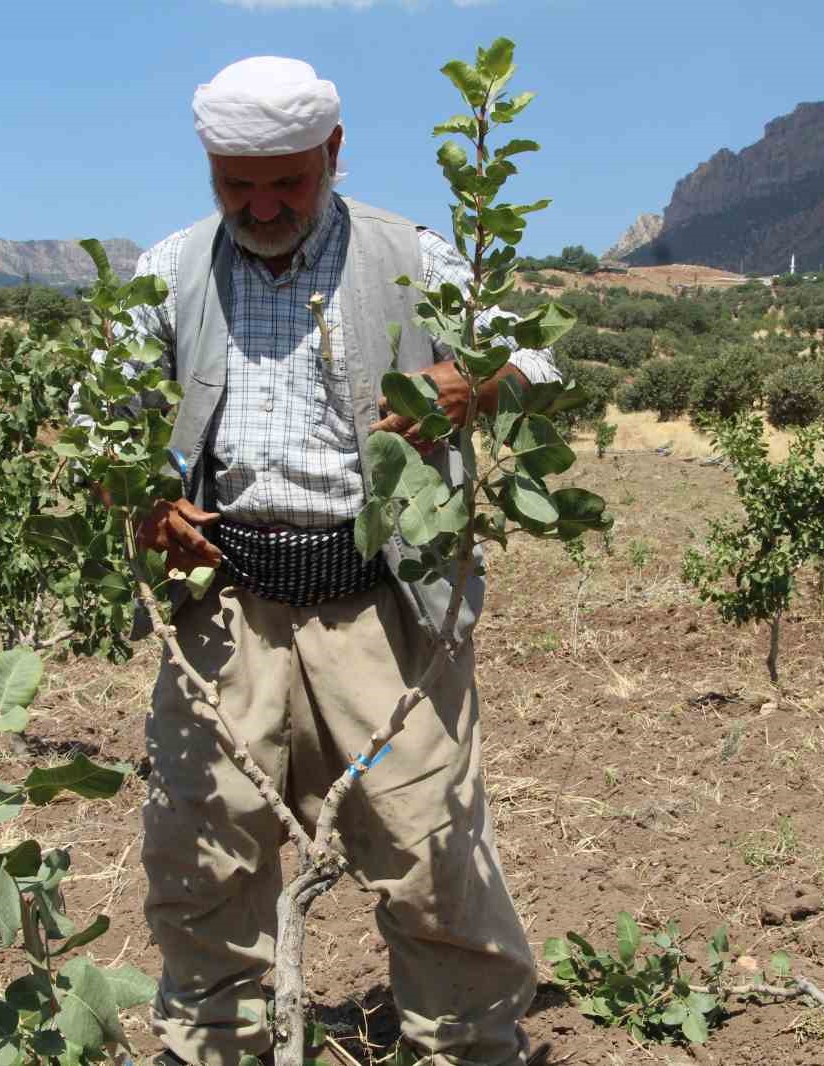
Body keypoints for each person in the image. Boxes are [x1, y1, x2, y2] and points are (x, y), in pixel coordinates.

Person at [129, 55, 558, 1066]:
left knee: (430, 857)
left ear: (334, 152)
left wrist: (471, 383)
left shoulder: (411, 256)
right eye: (237, 184)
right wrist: (143, 496)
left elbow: (539, 358)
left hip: (380, 609)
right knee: (203, 860)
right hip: (223, 607)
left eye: (288, 181)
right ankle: (216, 1049)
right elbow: (95, 420)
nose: (262, 204)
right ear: (208, 166)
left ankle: (465, 1049)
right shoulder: (171, 272)